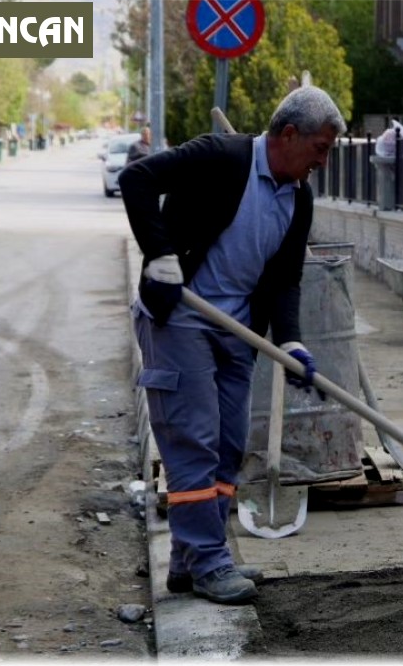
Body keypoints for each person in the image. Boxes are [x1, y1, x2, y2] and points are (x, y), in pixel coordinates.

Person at [119, 86, 345, 605]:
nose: (323, 161)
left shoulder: (299, 196)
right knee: (194, 439)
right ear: (289, 134)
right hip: (182, 318)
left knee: (228, 444)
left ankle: (194, 556)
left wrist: (291, 341)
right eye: (321, 148)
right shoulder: (221, 158)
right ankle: (210, 561)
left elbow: (286, 279)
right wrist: (159, 254)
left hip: (237, 328)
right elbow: (137, 179)